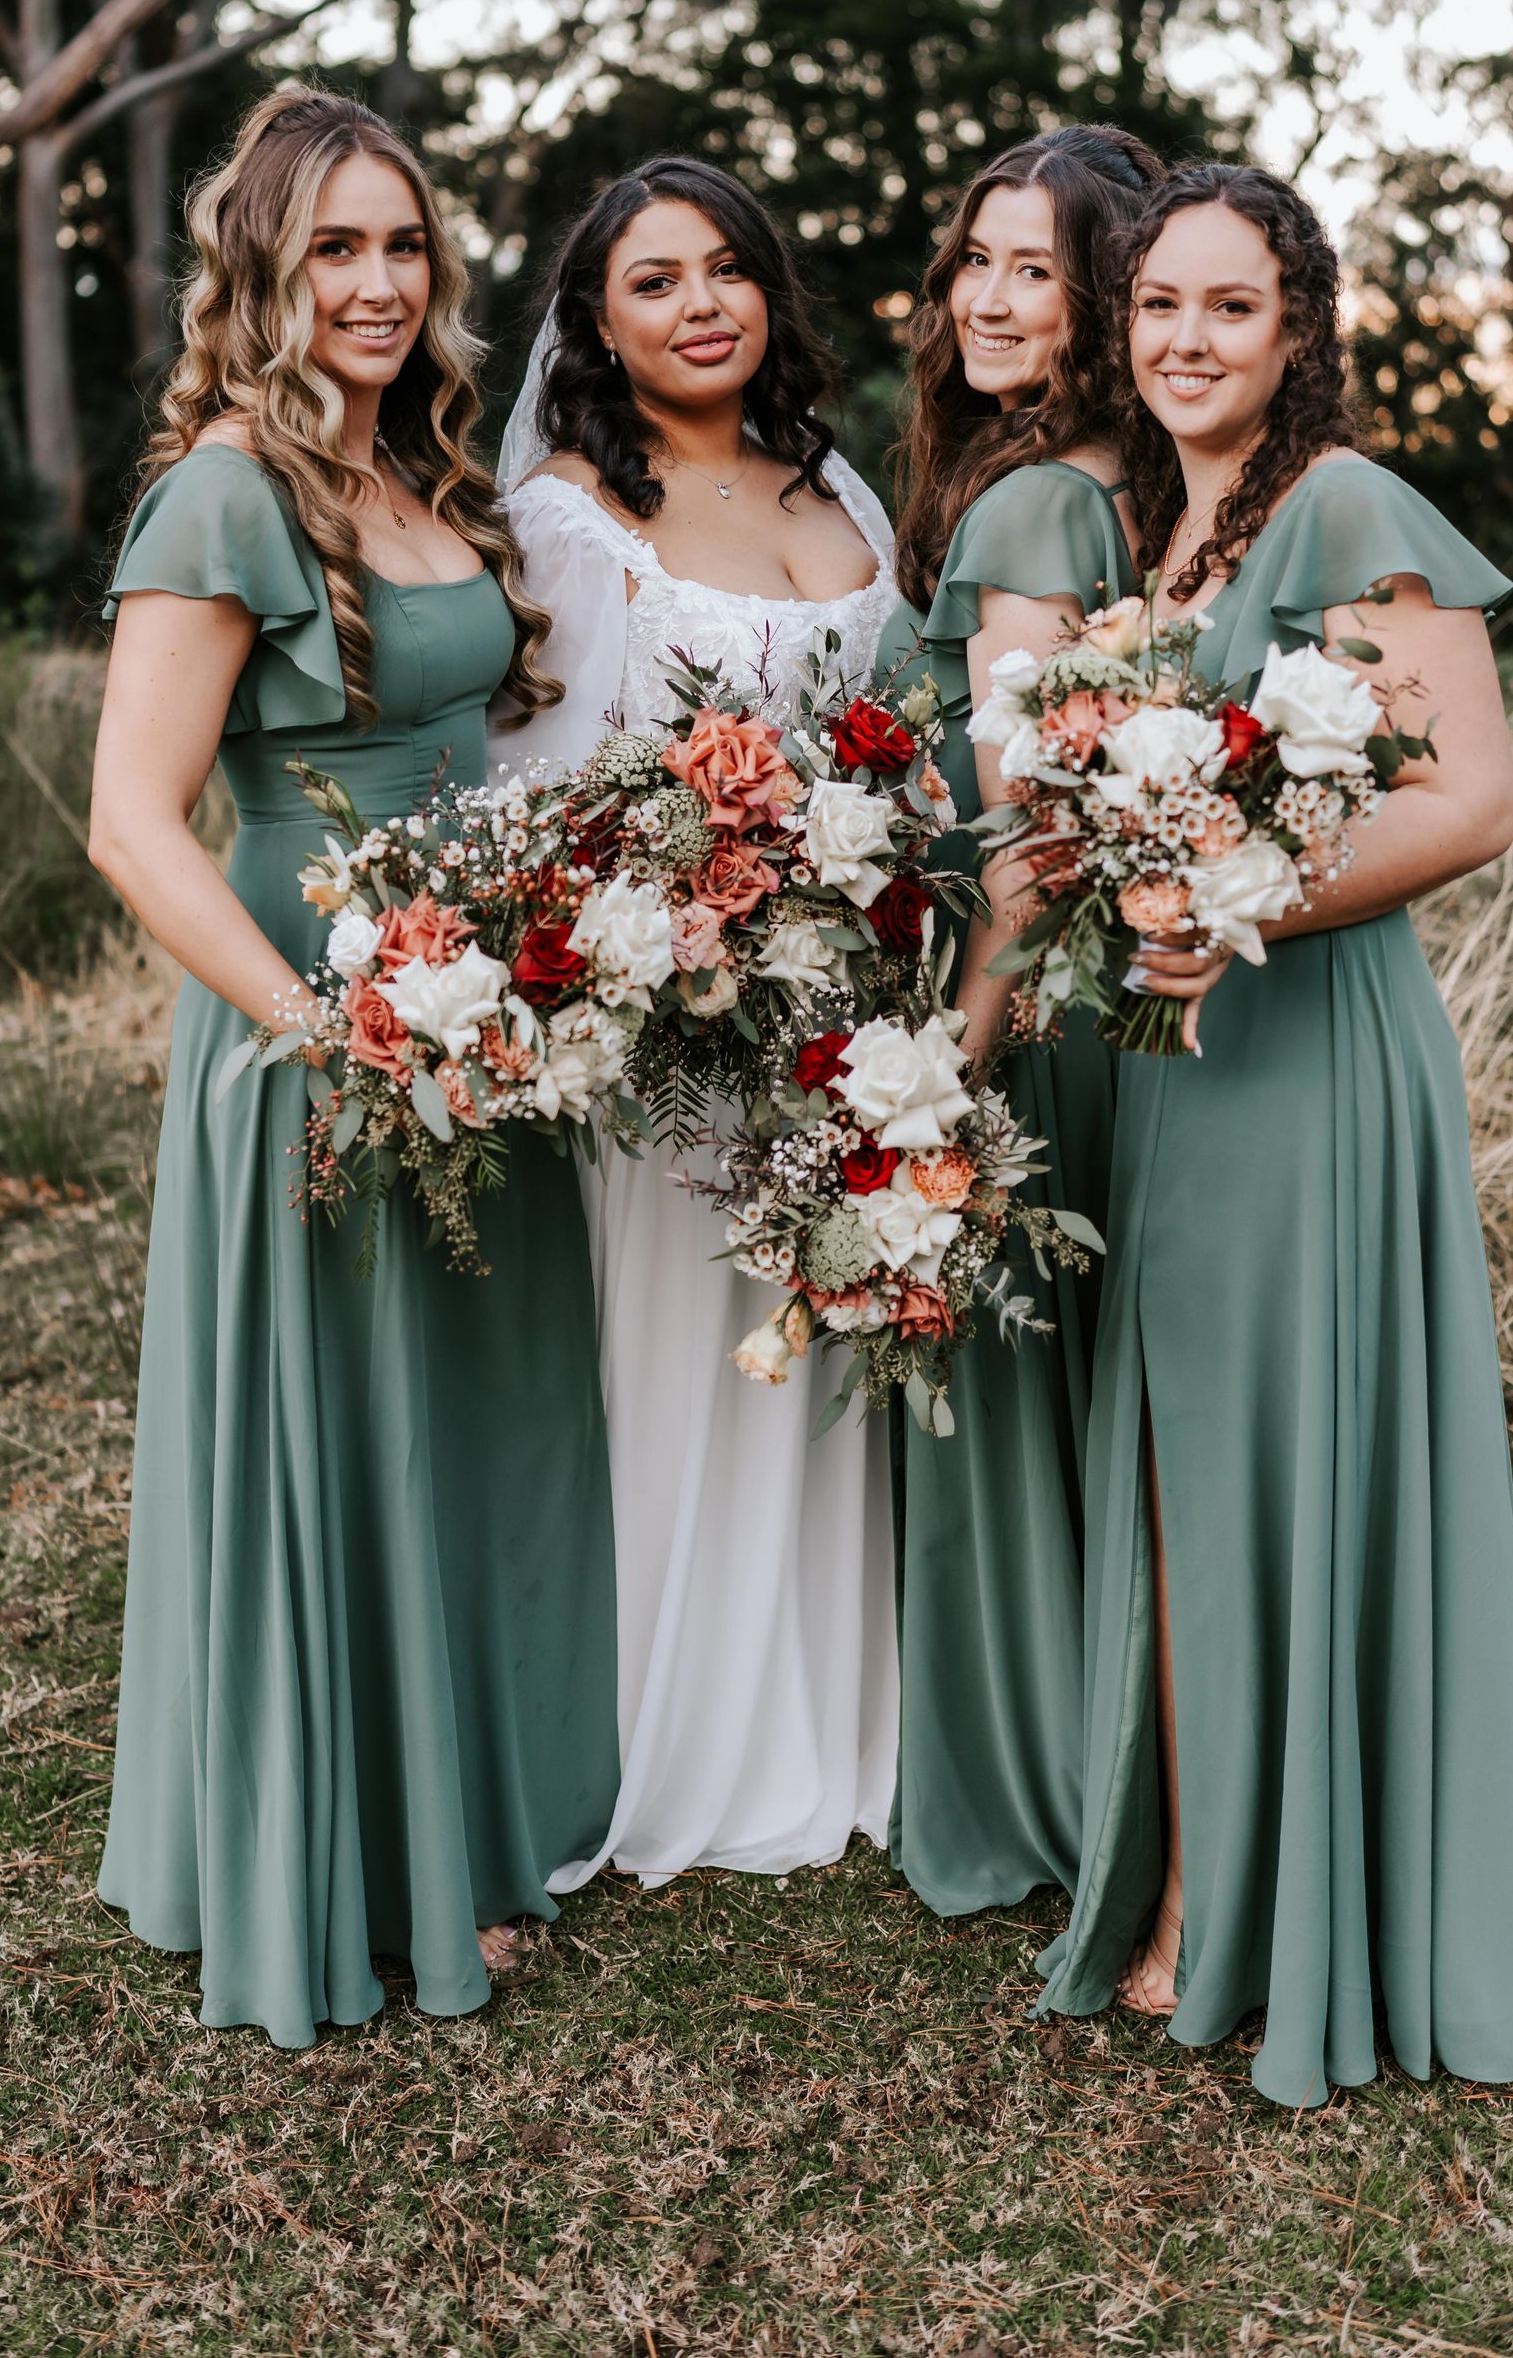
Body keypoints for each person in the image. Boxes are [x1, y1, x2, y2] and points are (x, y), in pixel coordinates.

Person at [1033, 162, 1513, 2104]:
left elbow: (1470, 800)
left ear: (1298, 333)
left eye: (1229, 307)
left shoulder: (1349, 508)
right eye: (1159, 307)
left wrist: (1239, 906)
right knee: (1203, 1483)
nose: (1185, 340)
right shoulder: (1167, 549)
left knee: (1293, 1467)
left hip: (1313, 1057)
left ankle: (1284, 1914)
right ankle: (1214, 1881)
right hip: (1184, 1072)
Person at [89, 87, 618, 2045]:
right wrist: (330, 1028)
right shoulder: (227, 491)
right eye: (338, 248)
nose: (382, 284)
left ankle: (463, 1820)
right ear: (261, 269)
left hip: (483, 1010)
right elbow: (135, 824)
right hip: (315, 1024)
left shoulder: (425, 470)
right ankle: (353, 1862)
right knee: (360, 1433)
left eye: (406, 247)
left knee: (471, 1426)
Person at [488, 155, 900, 1886]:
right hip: (670, 1023)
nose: (700, 303)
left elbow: (903, 731)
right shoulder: (575, 519)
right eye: (654, 280)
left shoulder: (846, 499)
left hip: (852, 1002)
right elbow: (537, 791)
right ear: (596, 317)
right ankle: (676, 1733)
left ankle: (838, 1713)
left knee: (835, 1346)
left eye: (727, 269)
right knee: (684, 1355)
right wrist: (689, 918)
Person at [877, 123, 1164, 1915]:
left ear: (1101, 297)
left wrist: (951, 1068)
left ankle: (1033, 1790)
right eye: (976, 257)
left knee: (1011, 1374)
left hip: (1023, 995)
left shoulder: (1032, 503)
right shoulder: (1102, 477)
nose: (990, 295)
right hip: (1069, 994)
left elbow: (1032, 822)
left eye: (1036, 267)